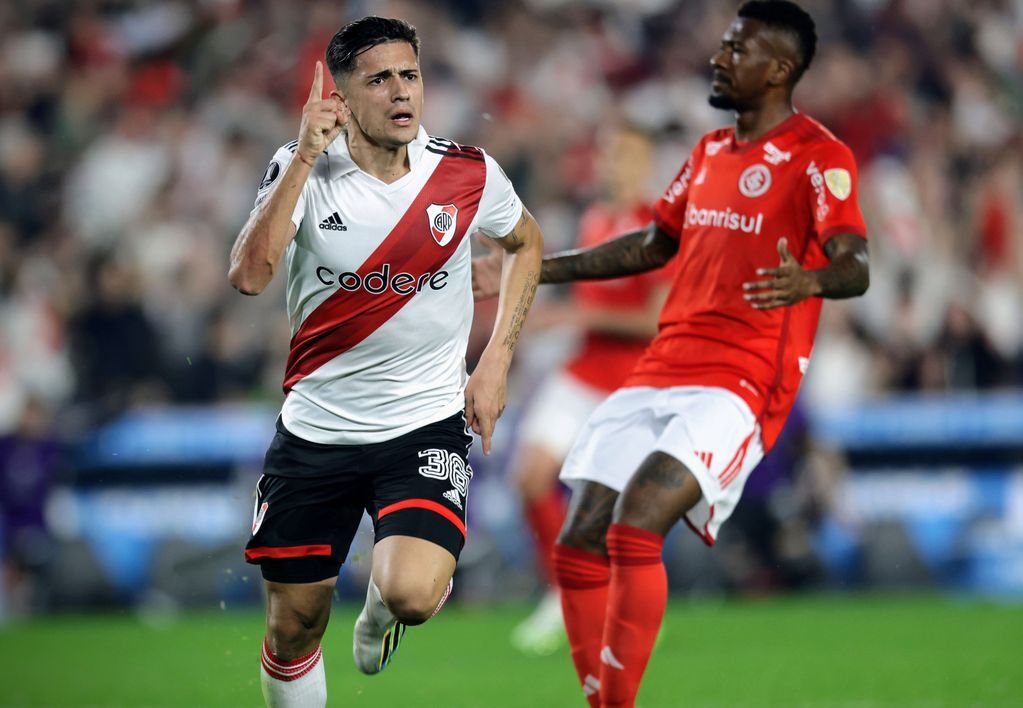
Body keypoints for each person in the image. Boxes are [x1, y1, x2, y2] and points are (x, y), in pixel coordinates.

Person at [473, 2, 869, 706]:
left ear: (777, 69)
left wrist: (809, 279)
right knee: (579, 535)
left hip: (740, 379)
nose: (717, 58)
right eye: (720, 45)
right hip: (660, 369)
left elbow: (854, 264)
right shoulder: (709, 151)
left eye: (735, 49)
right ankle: (601, 698)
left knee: (637, 520)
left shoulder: (819, 156)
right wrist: (535, 269)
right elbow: (653, 246)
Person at [228, 17, 543, 708]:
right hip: (318, 431)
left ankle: (380, 612)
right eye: (379, 79)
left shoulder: (466, 172)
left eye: (410, 75)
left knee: (413, 594)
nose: (401, 92)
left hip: (423, 423)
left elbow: (526, 245)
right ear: (339, 96)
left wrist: (494, 364)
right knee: (292, 628)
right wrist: (307, 158)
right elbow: (250, 275)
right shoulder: (301, 167)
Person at [505, 124, 672, 656]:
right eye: (607, 153)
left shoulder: (657, 227)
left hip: (632, 382)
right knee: (530, 476)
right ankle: (560, 592)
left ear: (644, 163)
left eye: (623, 154)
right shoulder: (596, 219)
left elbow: (657, 318)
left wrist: (577, 312)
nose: (611, 164)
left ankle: (630, 606)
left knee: (617, 512)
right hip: (583, 371)